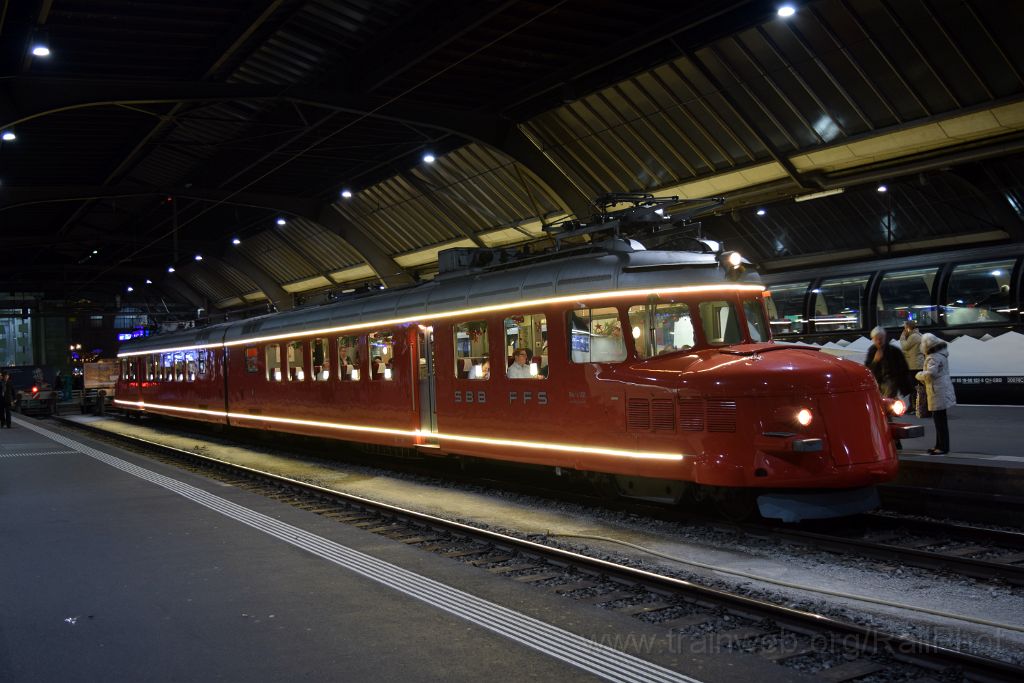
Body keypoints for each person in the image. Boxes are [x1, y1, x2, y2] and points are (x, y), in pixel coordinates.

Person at [916, 333, 956, 454]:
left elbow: (930, 374)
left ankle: (942, 447)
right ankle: (939, 445)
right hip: (941, 389)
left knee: (939, 421)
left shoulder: (933, 356)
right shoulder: (941, 354)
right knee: (940, 420)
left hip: (937, 390)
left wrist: (918, 375)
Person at [864, 326, 910, 399]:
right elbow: (867, 370)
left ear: (884, 338)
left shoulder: (894, 351)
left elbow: (903, 369)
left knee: (888, 398)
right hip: (877, 383)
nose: (879, 341)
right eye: (876, 339)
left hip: (891, 383)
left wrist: (903, 385)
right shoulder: (872, 351)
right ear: (873, 340)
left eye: (881, 339)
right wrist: (875, 360)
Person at [899, 321, 924, 413]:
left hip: (915, 366)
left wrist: (902, 336)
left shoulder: (914, 337)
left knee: (914, 387)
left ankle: (914, 407)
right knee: (915, 386)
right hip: (915, 364)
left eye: (905, 328)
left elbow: (904, 346)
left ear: (909, 328)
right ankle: (914, 406)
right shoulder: (917, 335)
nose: (904, 330)